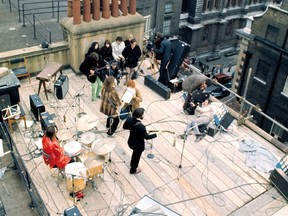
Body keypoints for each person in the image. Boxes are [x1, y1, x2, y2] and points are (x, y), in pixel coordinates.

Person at [123, 108, 158, 174]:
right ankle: (133, 170)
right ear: (141, 116)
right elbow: (147, 137)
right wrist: (156, 134)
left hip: (131, 141)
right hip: (138, 145)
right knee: (136, 158)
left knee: (134, 155)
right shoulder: (141, 126)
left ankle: (132, 164)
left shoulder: (130, 119)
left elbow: (125, 127)